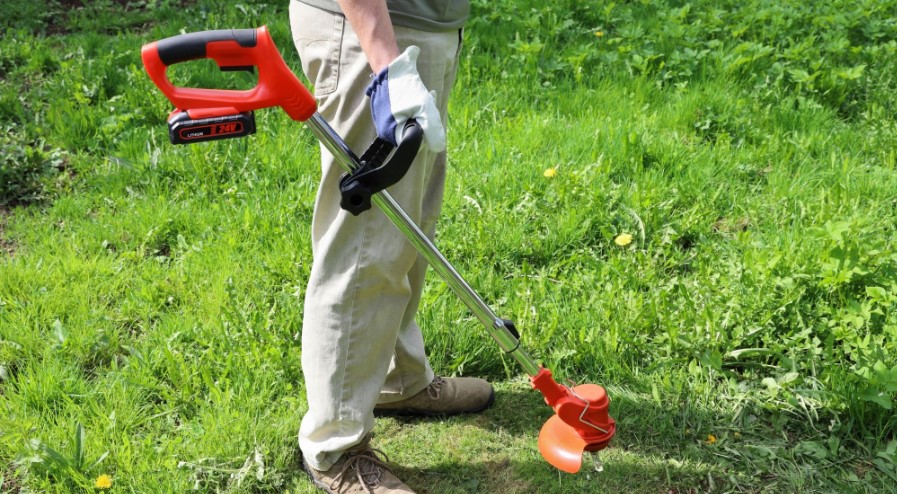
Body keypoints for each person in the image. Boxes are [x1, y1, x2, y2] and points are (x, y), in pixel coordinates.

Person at [288, 1, 494, 492]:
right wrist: (388, 63)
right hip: (371, 35)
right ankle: (334, 447)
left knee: (407, 229)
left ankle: (397, 380)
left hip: (421, 29)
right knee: (364, 246)